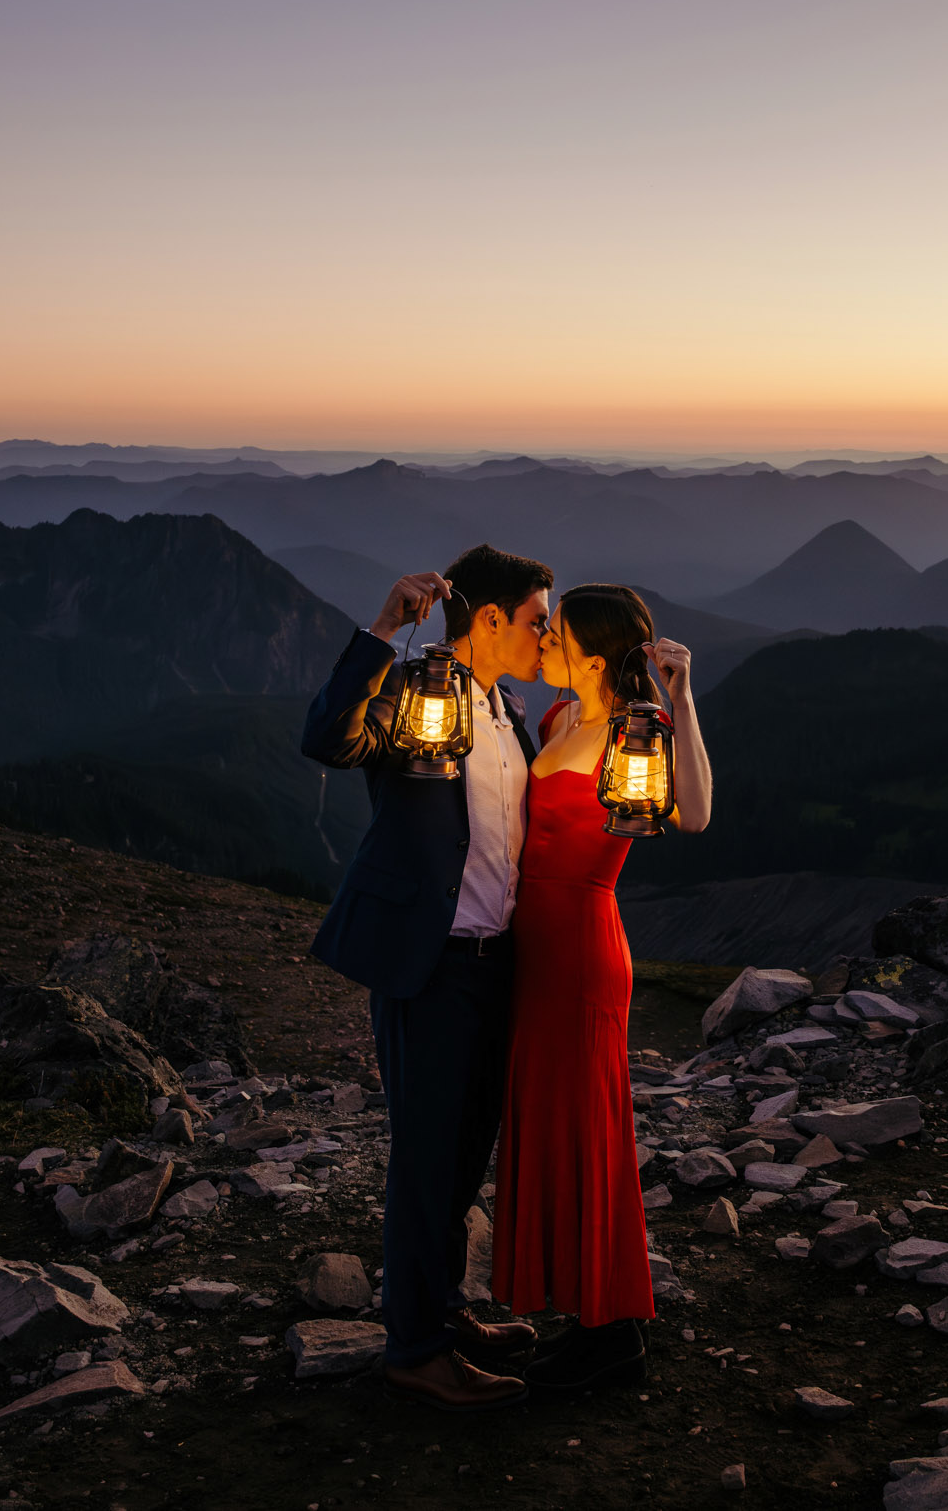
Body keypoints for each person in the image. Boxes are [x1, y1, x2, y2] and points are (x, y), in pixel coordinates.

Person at [298, 543, 554, 1413]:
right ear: (490, 618)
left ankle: (442, 1312)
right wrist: (380, 633)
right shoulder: (417, 694)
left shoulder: (505, 708)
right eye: (534, 620)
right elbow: (327, 739)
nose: (544, 635)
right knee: (424, 1161)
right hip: (428, 967)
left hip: (494, 966)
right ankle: (413, 1348)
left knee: (463, 1157)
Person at [489, 583, 713, 1392]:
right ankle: (580, 1312)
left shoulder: (632, 732)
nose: (542, 641)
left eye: (556, 637)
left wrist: (682, 703)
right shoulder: (557, 722)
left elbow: (692, 818)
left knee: (589, 1129)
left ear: (590, 653)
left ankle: (613, 1332)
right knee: (550, 1121)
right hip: (537, 946)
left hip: (582, 947)